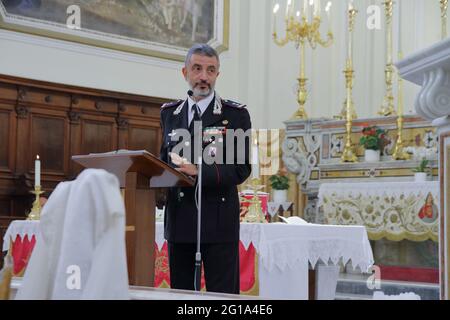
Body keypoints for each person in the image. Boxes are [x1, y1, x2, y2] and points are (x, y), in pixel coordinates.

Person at [159, 44, 251, 294]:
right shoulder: (170, 114)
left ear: (217, 75)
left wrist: (199, 170)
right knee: (181, 295)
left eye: (211, 70)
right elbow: (163, 162)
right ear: (185, 72)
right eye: (197, 68)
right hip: (180, 220)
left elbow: (241, 169)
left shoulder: (234, 115)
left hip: (218, 220)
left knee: (222, 296)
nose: (203, 77)